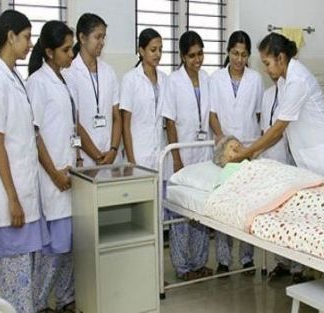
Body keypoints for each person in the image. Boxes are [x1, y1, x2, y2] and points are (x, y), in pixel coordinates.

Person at [231, 32, 324, 283]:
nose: (265, 69)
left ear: (281, 57)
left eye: (267, 63)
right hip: (311, 169)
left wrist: (246, 152)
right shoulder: (285, 81)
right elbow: (276, 131)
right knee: (320, 235)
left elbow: (278, 129)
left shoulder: (298, 79)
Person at [0, 10, 49, 312]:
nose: (30, 44)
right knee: (15, 287)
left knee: (25, 285)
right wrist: (13, 199)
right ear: (10, 36)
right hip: (11, 200)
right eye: (26, 37)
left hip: (23, 192)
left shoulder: (14, 79)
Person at [26, 20, 79, 313]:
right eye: (66, 49)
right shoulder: (37, 82)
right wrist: (54, 173)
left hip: (68, 172)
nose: (71, 54)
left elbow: (67, 127)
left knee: (69, 244)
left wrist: (75, 161)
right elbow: (34, 135)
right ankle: (37, 304)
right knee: (54, 247)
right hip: (51, 177)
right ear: (49, 52)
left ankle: (66, 299)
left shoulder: (64, 79)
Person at [209, 30, 264, 275]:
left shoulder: (255, 79)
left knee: (247, 205)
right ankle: (223, 260)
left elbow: (261, 115)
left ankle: (247, 258)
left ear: (249, 56)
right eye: (234, 53)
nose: (239, 59)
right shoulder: (216, 78)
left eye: (243, 54)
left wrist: (255, 147)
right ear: (228, 52)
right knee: (224, 203)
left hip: (249, 149)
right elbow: (212, 114)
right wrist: (223, 138)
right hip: (225, 150)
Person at [161, 30, 212, 281]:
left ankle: (199, 262)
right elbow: (169, 122)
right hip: (182, 155)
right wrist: (177, 157)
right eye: (192, 55)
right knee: (181, 215)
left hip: (203, 153)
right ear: (182, 57)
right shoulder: (173, 81)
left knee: (201, 213)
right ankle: (182, 267)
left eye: (200, 53)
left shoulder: (207, 78)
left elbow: (211, 115)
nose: (198, 60)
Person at [63, 13, 121, 166]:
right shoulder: (70, 73)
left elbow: (116, 116)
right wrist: (97, 156)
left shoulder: (109, 72)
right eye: (98, 37)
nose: (102, 42)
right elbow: (74, 122)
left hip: (110, 156)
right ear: (82, 38)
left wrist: (114, 150)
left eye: (104, 38)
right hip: (86, 158)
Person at [260, 77, 302, 282]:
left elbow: (280, 131)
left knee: (293, 217)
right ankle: (281, 262)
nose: (270, 69)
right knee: (275, 217)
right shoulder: (267, 95)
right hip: (271, 163)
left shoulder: (293, 92)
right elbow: (264, 129)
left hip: (290, 162)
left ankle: (298, 267)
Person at [121, 28, 166, 170]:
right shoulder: (130, 79)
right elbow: (125, 124)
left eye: (160, 49)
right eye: (153, 50)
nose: (158, 54)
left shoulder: (165, 79)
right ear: (141, 51)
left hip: (159, 151)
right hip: (138, 153)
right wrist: (131, 160)